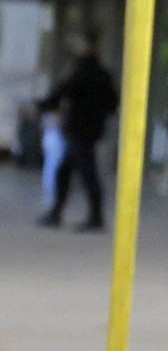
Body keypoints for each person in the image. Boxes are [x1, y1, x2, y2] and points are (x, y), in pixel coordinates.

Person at [35, 38, 120, 233]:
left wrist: (42, 105)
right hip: (91, 130)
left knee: (84, 173)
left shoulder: (83, 73)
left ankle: (89, 216)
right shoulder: (102, 75)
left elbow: (61, 93)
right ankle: (61, 212)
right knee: (70, 170)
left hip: (80, 130)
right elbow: (112, 102)